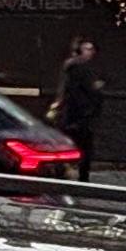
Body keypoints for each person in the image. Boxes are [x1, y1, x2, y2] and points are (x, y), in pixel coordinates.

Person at [52, 35, 107, 166]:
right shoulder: (78, 67)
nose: (89, 52)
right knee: (82, 147)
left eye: (91, 49)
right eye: (86, 49)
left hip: (75, 114)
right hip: (78, 115)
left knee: (72, 145)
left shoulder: (78, 66)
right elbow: (78, 91)